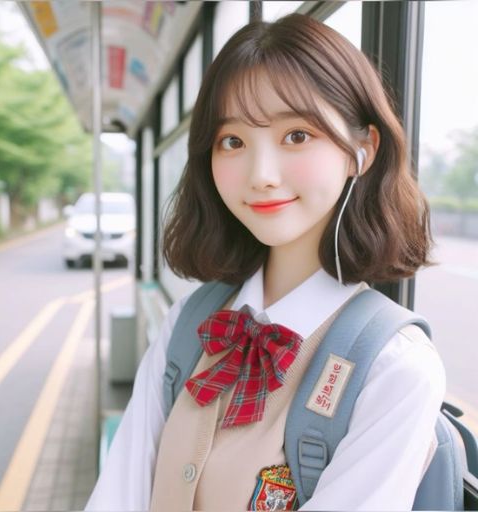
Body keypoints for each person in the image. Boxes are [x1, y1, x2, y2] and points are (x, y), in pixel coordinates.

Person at [85, 13, 445, 511]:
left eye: (296, 135)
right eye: (232, 141)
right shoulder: (189, 325)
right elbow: (118, 496)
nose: (261, 175)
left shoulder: (394, 368)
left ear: (361, 151)